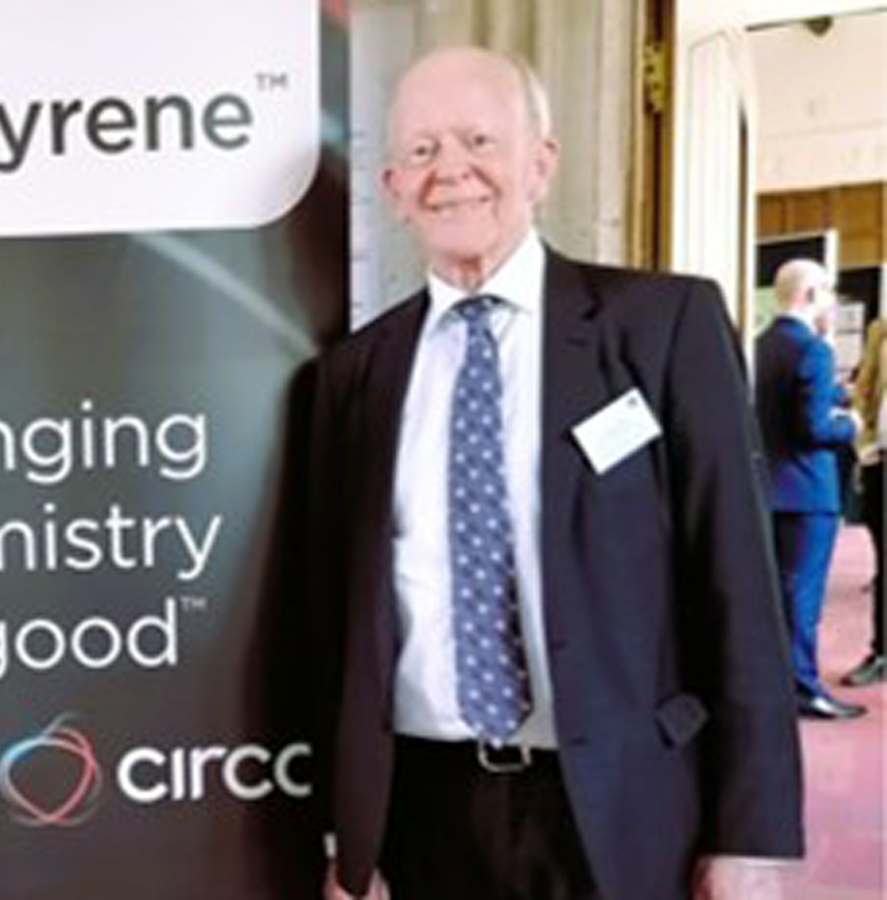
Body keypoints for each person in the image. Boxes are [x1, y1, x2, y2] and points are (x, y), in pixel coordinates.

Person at [307, 47, 802, 900]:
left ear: (541, 163)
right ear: (391, 186)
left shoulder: (664, 327)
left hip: (623, 806)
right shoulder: (354, 375)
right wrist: (345, 834)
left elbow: (738, 587)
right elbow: (331, 621)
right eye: (421, 150)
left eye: (479, 140)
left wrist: (749, 835)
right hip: (422, 810)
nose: (450, 170)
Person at [754, 259, 865, 719]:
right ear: (811, 294)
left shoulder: (761, 345)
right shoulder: (814, 350)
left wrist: (833, 397)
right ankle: (803, 689)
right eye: (829, 292)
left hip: (768, 488)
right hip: (807, 492)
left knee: (775, 594)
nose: (833, 303)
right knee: (803, 597)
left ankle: (773, 683)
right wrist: (850, 424)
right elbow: (815, 429)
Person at [843, 317, 885, 686]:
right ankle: (882, 652)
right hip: (881, 462)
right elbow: (864, 392)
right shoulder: (880, 330)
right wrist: (865, 445)